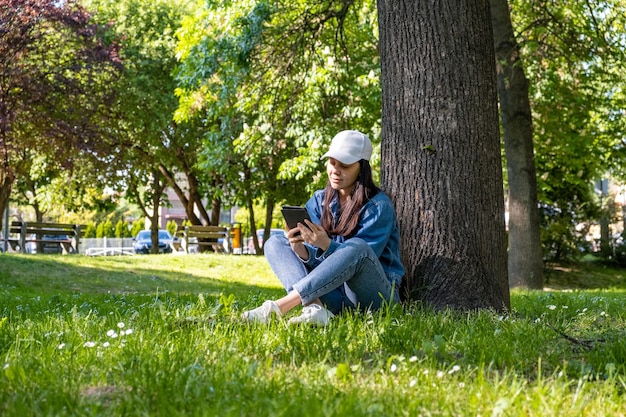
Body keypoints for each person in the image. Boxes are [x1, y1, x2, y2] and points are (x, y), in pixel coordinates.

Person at [241, 130, 405, 325]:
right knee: (275, 242)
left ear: (361, 168)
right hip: (332, 295)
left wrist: (327, 245)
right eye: (332, 163)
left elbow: (362, 260)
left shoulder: (378, 207)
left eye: (344, 165)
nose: (335, 170)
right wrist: (300, 250)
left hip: (373, 299)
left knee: (357, 247)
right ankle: (315, 308)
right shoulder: (320, 200)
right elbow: (316, 261)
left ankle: (277, 308)